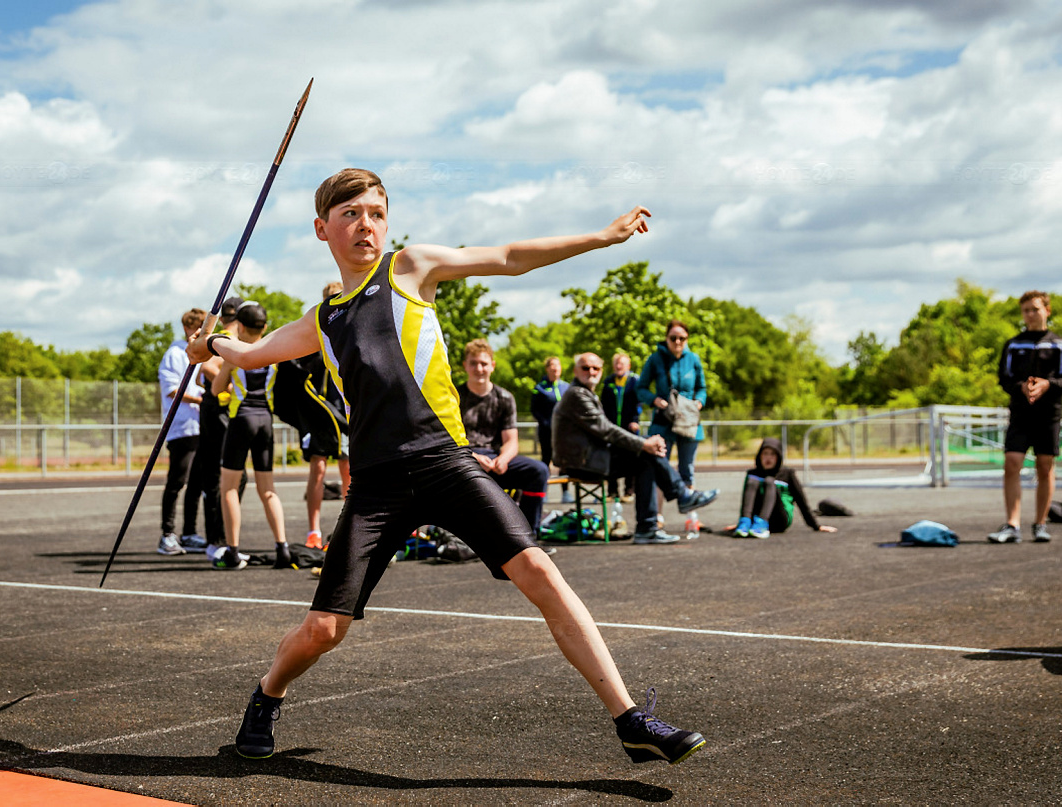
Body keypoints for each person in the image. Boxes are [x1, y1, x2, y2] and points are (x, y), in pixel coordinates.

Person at [188, 167, 705, 766]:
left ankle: (630, 720)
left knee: (540, 571)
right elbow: (252, 353)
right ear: (321, 228)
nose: (366, 225)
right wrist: (213, 344)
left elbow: (509, 257)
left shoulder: (409, 268)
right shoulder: (322, 320)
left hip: (446, 462)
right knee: (324, 630)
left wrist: (600, 236)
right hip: (378, 484)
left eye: (377, 213)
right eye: (351, 214)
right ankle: (266, 697)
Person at [553, 352, 719, 544]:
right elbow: (606, 430)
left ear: (600, 371)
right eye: (585, 367)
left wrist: (644, 444)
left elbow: (605, 432)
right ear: (575, 371)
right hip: (579, 463)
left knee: (645, 457)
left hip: (589, 457)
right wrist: (643, 443)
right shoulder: (577, 394)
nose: (591, 371)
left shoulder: (584, 393)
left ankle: (650, 526)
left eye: (596, 368)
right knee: (645, 451)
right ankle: (679, 497)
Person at [210, 301, 295, 570]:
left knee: (229, 488)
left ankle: (233, 551)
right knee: (268, 489)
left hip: (241, 419)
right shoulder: (273, 351)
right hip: (265, 421)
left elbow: (216, 390)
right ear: (265, 326)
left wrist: (226, 366)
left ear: (240, 326)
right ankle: (282, 548)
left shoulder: (237, 353)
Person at [987, 291, 1062, 544]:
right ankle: (1012, 525)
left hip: (1048, 414)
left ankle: (1040, 523)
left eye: (1035, 309)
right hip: (1020, 413)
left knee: (1045, 465)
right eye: (1025, 310)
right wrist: (1021, 388)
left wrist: (1047, 385)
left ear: (1046, 310)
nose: (1030, 314)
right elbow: (1004, 378)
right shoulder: (1013, 344)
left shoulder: (1059, 344)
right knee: (1012, 462)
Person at [459, 338, 550, 533]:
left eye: (483, 363)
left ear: (492, 366)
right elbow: (446, 441)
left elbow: (511, 441)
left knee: (539, 471)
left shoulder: (505, 397)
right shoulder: (454, 397)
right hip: (461, 459)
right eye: (473, 363)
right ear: (465, 366)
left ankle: (528, 537)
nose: (479, 368)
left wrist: (503, 458)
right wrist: (472, 457)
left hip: (494, 459)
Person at [185, 297, 246, 549]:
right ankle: (218, 538)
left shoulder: (222, 337)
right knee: (226, 476)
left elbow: (200, 374)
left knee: (221, 475)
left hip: (216, 410)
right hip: (217, 411)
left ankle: (218, 537)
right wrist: (229, 384)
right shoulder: (226, 339)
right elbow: (207, 367)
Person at [301, 281, 351, 550]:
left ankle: (347, 530)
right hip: (321, 417)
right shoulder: (317, 335)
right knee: (318, 468)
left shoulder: (353, 332)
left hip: (345, 416)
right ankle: (313, 531)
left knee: (348, 469)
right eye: (331, 298)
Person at [156, 308, 211, 556]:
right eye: (201, 329)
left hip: (201, 426)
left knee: (197, 483)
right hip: (182, 428)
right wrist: (203, 401)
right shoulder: (174, 353)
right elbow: (171, 390)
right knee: (177, 482)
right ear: (190, 329)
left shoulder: (201, 353)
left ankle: (189, 533)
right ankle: (167, 534)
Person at [638, 319, 707, 503]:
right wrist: (654, 400)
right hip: (664, 421)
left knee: (687, 470)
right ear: (666, 338)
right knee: (660, 468)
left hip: (688, 421)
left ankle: (690, 517)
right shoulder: (655, 359)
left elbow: (702, 388)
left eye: (682, 338)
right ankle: (657, 519)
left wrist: (698, 403)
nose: (677, 342)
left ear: (687, 339)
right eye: (673, 338)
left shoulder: (693, 359)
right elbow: (641, 388)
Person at [730, 438, 836, 539]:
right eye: (765, 453)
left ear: (778, 457)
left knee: (769, 481)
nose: (768, 458)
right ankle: (745, 523)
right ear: (760, 456)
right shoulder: (752, 474)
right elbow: (746, 500)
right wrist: (743, 519)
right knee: (753, 481)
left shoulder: (787, 474)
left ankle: (761, 524)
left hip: (780, 519)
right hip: (755, 517)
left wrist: (816, 526)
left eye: (772, 454)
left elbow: (801, 500)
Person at [600, 352, 641, 502]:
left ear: (628, 366)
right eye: (616, 363)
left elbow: (639, 403)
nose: (618, 366)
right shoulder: (609, 381)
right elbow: (603, 404)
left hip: (629, 427)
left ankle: (629, 491)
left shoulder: (635, 381)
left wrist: (635, 420)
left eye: (621, 363)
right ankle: (612, 492)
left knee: (630, 459)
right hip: (611, 427)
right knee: (611, 459)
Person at [531, 356, 571, 502]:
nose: (555, 369)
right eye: (552, 366)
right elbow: (534, 410)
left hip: (564, 433)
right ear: (547, 368)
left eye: (557, 366)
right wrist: (546, 423)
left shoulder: (567, 387)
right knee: (545, 460)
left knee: (563, 461)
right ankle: (544, 492)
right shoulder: (539, 388)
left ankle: (566, 493)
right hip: (546, 431)